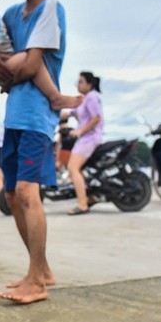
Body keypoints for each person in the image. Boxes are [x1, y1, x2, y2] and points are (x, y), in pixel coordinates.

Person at [0, 0, 64, 304]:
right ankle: (41, 269)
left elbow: (31, 65)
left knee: (29, 194)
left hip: (37, 117)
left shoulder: (51, 9)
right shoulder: (12, 15)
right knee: (13, 194)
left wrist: (0, 68)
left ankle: (37, 281)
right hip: (13, 115)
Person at [61, 71, 104, 215]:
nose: (78, 84)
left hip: (89, 138)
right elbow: (67, 114)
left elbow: (96, 118)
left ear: (89, 84)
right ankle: (90, 196)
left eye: (81, 82)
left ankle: (82, 204)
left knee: (73, 168)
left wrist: (80, 131)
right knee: (80, 170)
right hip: (84, 139)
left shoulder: (92, 97)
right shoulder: (82, 99)